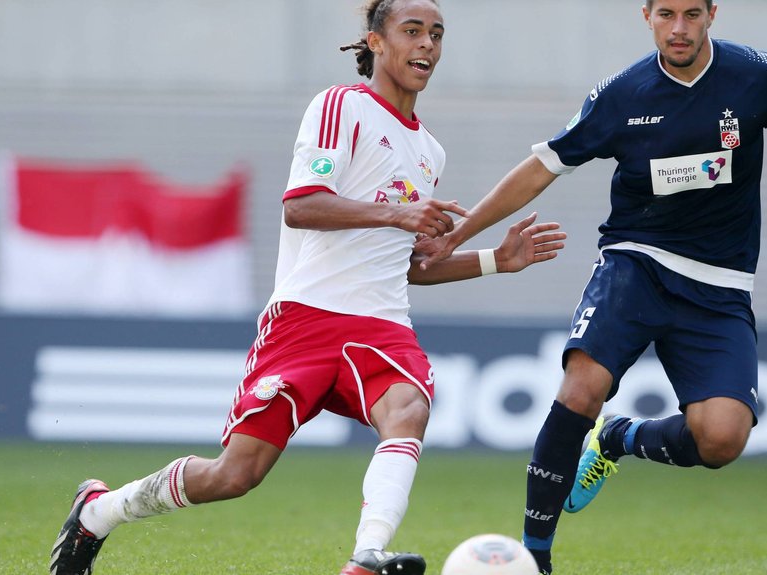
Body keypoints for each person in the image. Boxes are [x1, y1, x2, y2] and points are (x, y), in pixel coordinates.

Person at [48, 1, 567, 575]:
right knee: (234, 475)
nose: (426, 46)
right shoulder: (340, 106)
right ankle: (99, 511)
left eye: (436, 35)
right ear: (374, 41)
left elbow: (408, 266)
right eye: (412, 31)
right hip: (305, 319)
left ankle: (366, 556)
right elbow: (303, 206)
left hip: (381, 324)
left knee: (409, 408)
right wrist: (398, 215)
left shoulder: (429, 151)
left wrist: (497, 259)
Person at [416, 1, 767, 572]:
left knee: (721, 439)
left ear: (712, 14)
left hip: (720, 286)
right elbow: (541, 167)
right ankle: (536, 556)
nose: (679, 28)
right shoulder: (623, 95)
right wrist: (459, 234)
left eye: (691, 13)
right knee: (580, 388)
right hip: (636, 263)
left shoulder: (755, 76)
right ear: (645, 15)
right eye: (666, 13)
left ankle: (619, 437)